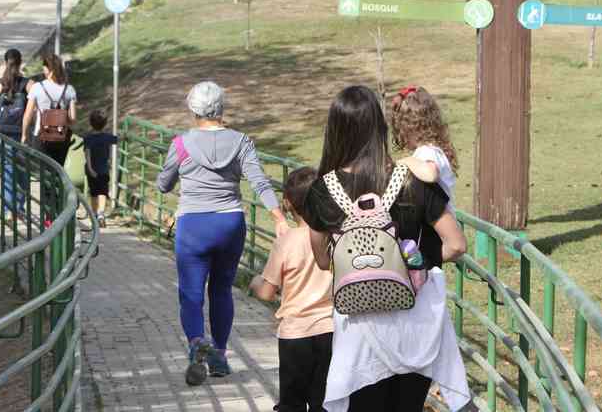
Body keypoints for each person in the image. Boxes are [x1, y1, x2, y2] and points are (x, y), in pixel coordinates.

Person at [301, 86, 475, 412]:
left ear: (334, 131)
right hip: (416, 327)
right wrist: (415, 264)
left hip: (360, 332)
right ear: (380, 127)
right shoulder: (412, 179)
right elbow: (456, 244)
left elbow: (323, 261)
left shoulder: (322, 191)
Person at [156, 81, 289, 387]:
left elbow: (163, 184)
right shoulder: (241, 142)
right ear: (222, 108)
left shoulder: (180, 144)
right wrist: (278, 217)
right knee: (221, 289)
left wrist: (174, 178)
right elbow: (259, 181)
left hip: (193, 225)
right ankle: (219, 355)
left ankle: (195, 342)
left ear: (192, 110)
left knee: (190, 293)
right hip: (229, 223)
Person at [250, 167, 333, 412]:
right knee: (325, 402)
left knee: (292, 403)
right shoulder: (332, 236)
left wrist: (255, 282)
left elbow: (266, 292)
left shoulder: (286, 242)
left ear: (286, 203)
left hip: (295, 335)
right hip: (331, 330)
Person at [22, 54, 77, 227]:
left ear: (50, 69)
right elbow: (73, 118)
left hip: (42, 137)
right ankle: (61, 211)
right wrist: (61, 120)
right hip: (61, 138)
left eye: (45, 68)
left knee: (46, 176)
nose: (43, 71)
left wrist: (24, 134)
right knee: (58, 175)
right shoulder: (69, 89)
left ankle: (49, 216)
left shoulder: (37, 88)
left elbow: (28, 115)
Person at [391, 86, 459, 215]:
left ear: (411, 128)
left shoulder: (427, 152)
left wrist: (405, 161)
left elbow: (430, 174)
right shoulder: (434, 150)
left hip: (439, 230)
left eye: (401, 129)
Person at [0, 48, 33, 218]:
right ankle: (19, 208)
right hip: (21, 133)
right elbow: (33, 110)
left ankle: (8, 209)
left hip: (2, 133)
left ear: (5, 62)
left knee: (7, 170)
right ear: (20, 63)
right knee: (22, 171)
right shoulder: (29, 84)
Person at [83, 110, 118, 228]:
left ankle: (93, 215)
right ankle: (101, 214)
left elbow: (87, 154)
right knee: (103, 192)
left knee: (93, 193)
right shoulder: (107, 138)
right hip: (104, 170)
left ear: (90, 123)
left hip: (91, 170)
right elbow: (119, 139)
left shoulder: (88, 139)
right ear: (105, 123)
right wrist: (125, 135)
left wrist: (90, 168)